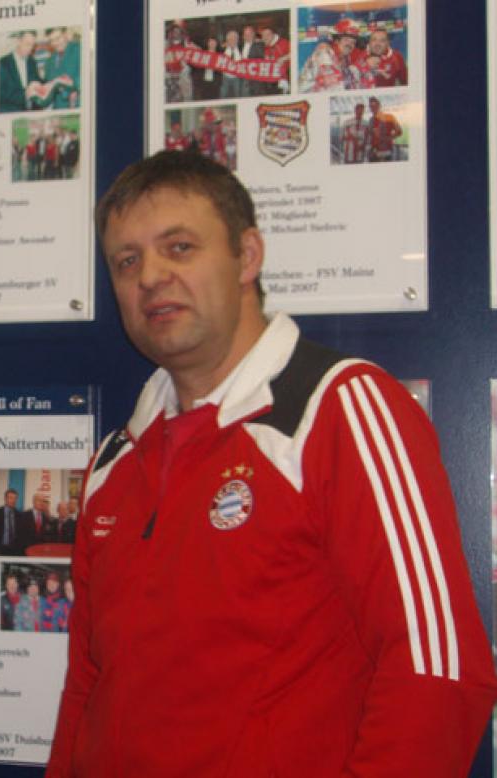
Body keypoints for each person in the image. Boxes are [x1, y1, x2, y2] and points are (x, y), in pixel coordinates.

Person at [46, 150, 497, 776]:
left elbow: (437, 670)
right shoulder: (115, 461)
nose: (149, 275)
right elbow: (88, 686)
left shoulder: (340, 408)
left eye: (178, 247)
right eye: (127, 261)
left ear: (247, 257)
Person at [0, 30, 41, 112]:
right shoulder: (2, 63)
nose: (30, 49)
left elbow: (37, 80)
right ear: (18, 41)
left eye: (33, 45)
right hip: (11, 111)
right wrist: (25, 94)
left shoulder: (32, 62)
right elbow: (0, 95)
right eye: (28, 44)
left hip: (32, 110)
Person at [0, 488, 35, 556]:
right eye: (10, 498)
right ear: (5, 499)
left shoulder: (20, 515)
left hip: (15, 550)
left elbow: (22, 535)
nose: (13, 500)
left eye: (15, 498)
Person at [44, 27, 80, 109]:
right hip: (58, 109)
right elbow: (49, 86)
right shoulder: (49, 62)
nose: (55, 43)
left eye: (57, 38)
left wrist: (73, 85)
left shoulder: (79, 49)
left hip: (78, 105)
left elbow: (88, 77)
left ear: (65, 35)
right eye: (51, 40)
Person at [367, 95, 403, 162]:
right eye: (371, 106)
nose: (373, 107)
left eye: (375, 105)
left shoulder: (390, 117)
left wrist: (388, 138)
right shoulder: (370, 120)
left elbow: (400, 132)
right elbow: (371, 135)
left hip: (387, 152)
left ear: (379, 105)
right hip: (374, 153)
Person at [258, 22, 290, 94]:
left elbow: (296, 52)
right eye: (263, 36)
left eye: (267, 35)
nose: (264, 38)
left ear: (272, 35)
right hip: (272, 81)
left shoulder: (283, 42)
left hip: (286, 78)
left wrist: (284, 58)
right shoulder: (264, 47)